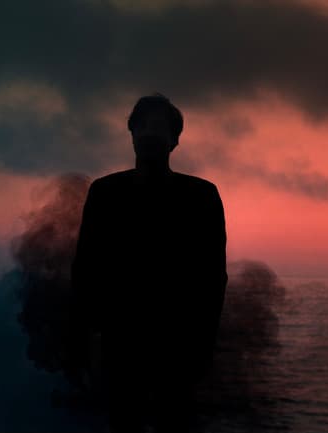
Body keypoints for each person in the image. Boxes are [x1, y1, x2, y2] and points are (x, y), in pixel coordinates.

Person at [70, 93, 228, 432]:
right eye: (142, 126)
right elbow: (86, 268)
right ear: (132, 134)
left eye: (159, 127)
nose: (149, 134)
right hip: (120, 342)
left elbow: (213, 277)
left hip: (178, 344)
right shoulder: (105, 192)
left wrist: (204, 344)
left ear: (174, 140)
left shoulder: (201, 195)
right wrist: (87, 337)